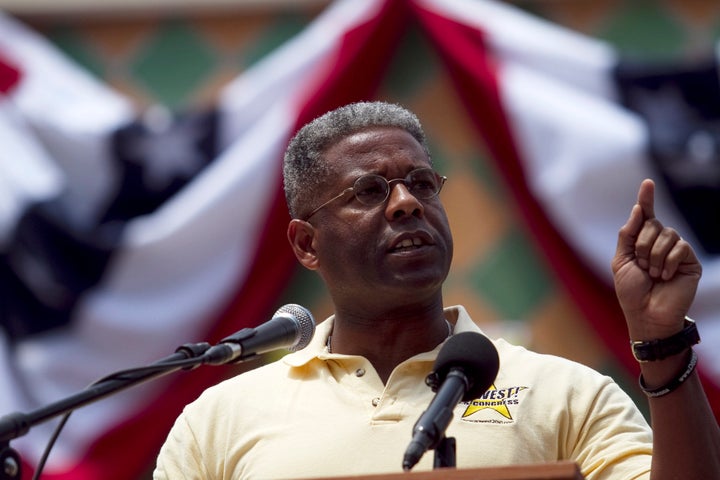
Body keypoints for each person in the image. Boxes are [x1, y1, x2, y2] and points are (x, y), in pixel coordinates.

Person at [153, 101, 720, 479]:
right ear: (306, 244)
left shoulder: (565, 394)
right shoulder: (220, 417)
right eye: (371, 191)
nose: (407, 203)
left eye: (422, 182)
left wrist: (661, 340)